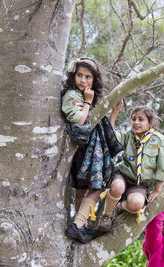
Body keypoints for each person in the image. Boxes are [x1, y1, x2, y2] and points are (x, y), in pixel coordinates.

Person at [62, 58, 123, 243]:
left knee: (83, 189)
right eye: (79, 75)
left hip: (90, 150)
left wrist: (114, 114)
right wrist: (88, 102)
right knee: (97, 186)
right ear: (73, 76)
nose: (83, 80)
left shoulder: (87, 97)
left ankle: (80, 225)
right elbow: (80, 122)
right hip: (82, 151)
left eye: (88, 77)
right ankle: (78, 224)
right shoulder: (72, 96)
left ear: (94, 80)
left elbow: (100, 130)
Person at [97, 101, 164, 230]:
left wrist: (157, 189)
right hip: (123, 175)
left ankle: (119, 206)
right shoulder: (129, 137)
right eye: (134, 119)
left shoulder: (159, 140)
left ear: (150, 123)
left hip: (139, 184)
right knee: (117, 187)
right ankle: (106, 216)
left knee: (136, 204)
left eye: (141, 119)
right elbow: (110, 135)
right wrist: (114, 113)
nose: (136, 122)